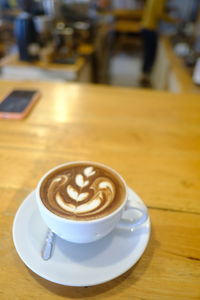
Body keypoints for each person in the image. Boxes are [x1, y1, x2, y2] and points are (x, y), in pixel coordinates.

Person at [139, 0, 178, 87]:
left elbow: (155, 10)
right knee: (150, 53)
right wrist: (173, 20)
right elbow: (159, 13)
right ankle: (145, 75)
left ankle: (145, 74)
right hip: (150, 28)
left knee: (148, 52)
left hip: (146, 27)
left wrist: (168, 9)